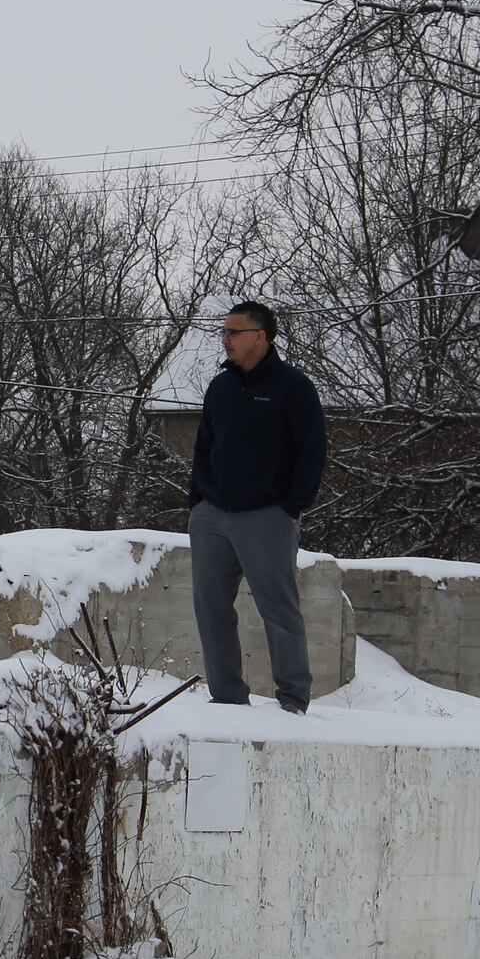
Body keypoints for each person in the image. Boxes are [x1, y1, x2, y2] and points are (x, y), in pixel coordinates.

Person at [188, 300, 327, 714]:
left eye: (234, 332)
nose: (225, 340)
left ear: (260, 337)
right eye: (224, 332)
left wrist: (291, 506)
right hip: (213, 515)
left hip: (267, 515)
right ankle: (228, 697)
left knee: (278, 608)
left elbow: (313, 450)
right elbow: (203, 447)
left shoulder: (293, 387)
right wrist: (197, 501)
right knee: (210, 606)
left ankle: (293, 700)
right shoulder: (221, 387)